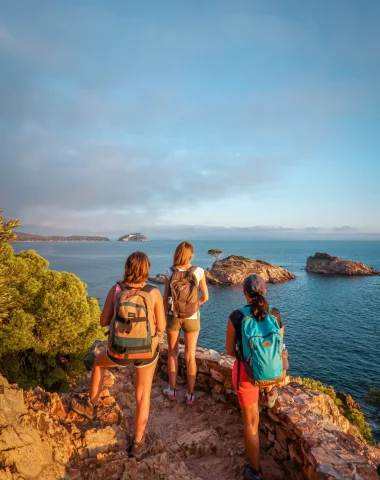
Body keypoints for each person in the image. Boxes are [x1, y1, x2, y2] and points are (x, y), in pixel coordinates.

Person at [71, 252, 166, 461]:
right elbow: (162, 326)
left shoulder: (116, 289)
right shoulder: (153, 292)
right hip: (146, 352)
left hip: (119, 351)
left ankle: (91, 405)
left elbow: (103, 322)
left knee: (98, 363)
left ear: (127, 268)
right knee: (143, 395)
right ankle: (138, 444)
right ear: (147, 270)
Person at [225, 274, 285, 480]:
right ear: (265, 291)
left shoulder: (236, 317)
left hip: (247, 376)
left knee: (251, 424)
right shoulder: (275, 314)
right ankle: (269, 392)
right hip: (275, 374)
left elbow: (230, 351)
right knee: (273, 362)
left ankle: (255, 471)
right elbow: (279, 348)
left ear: (244, 293)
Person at [162, 241, 209, 405]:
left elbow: (165, 299)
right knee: (190, 356)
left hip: (173, 316)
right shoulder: (198, 271)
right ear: (191, 255)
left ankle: (172, 390)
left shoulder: (170, 272)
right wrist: (194, 306)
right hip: (192, 317)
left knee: (172, 354)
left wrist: (162, 318)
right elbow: (205, 297)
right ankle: (190, 395)